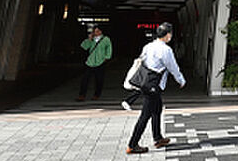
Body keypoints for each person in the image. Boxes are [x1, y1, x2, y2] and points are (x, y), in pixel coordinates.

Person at [126, 22, 185, 154]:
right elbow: (173, 67)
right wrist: (181, 80)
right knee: (145, 115)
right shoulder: (166, 50)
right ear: (167, 35)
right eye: (170, 34)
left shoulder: (148, 46)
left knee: (157, 109)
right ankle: (132, 144)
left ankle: (158, 138)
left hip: (146, 82)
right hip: (153, 85)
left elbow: (142, 60)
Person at [77, 25, 112, 101]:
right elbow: (84, 47)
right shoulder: (91, 39)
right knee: (85, 79)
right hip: (90, 62)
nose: (96, 33)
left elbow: (109, 48)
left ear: (101, 31)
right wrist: (89, 39)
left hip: (100, 62)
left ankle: (96, 95)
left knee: (99, 80)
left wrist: (107, 57)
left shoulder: (105, 39)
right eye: (94, 31)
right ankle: (82, 95)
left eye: (97, 31)